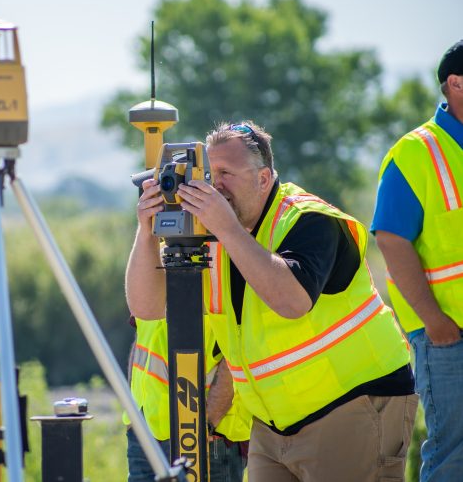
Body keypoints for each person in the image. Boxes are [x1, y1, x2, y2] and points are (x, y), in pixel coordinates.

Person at [126, 120, 417, 481]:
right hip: (273, 422)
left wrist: (227, 228)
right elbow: (148, 308)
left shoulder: (310, 219)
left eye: (226, 173)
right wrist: (146, 231)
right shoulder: (212, 234)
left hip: (352, 404)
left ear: (264, 179)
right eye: (208, 172)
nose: (215, 186)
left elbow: (291, 301)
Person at [372, 39, 463, 482]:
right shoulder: (416, 152)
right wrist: (435, 322)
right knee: (453, 456)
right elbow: (390, 239)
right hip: (449, 337)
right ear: (456, 84)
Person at [123, 315, 250, 482]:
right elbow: (141, 336)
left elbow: (241, 346)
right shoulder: (148, 291)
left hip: (208, 437)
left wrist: (206, 425)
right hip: (144, 431)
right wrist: (133, 410)